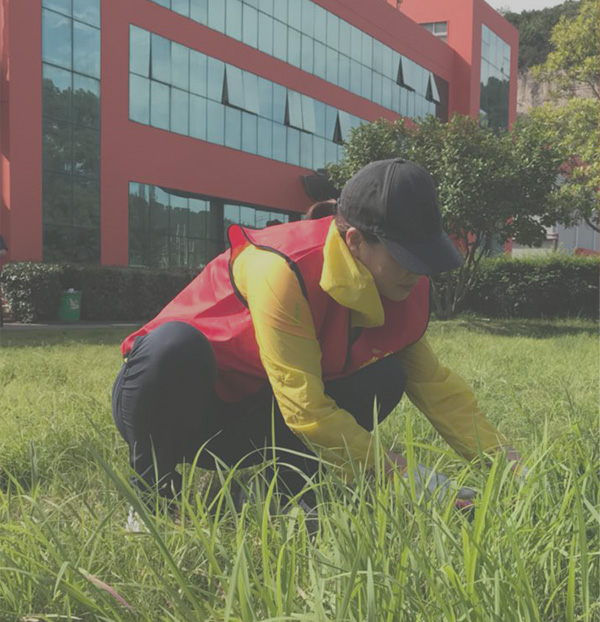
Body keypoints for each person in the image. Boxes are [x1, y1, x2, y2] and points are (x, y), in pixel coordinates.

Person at [112, 158, 523, 516]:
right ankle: (152, 501)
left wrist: (512, 468)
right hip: (181, 411)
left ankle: (272, 491)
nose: (418, 273)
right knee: (174, 348)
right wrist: (406, 476)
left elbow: (439, 391)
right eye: (405, 257)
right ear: (355, 241)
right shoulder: (281, 268)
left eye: (425, 257)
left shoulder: (399, 287)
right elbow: (303, 407)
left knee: (386, 377)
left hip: (255, 414)